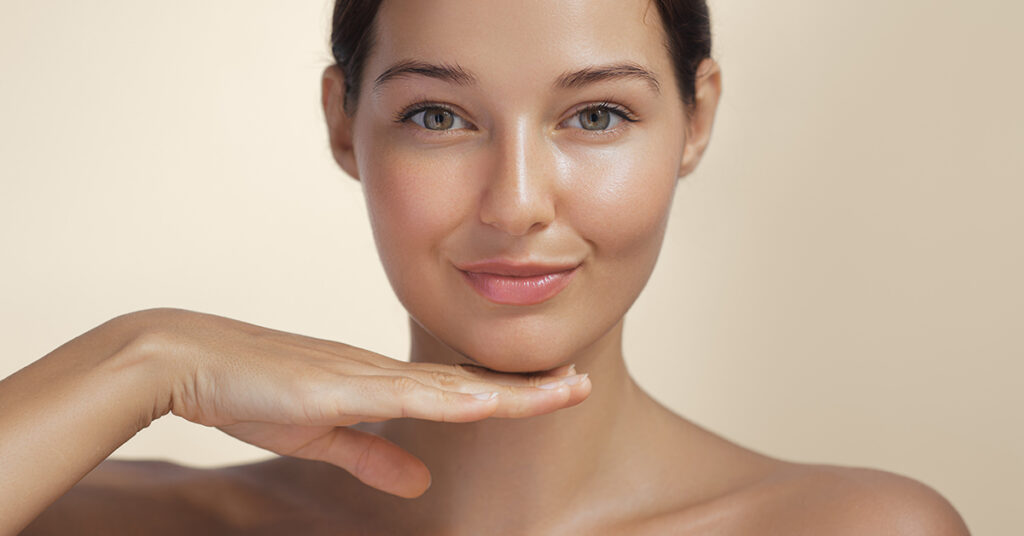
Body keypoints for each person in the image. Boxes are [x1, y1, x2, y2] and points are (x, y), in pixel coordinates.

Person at [3, 0, 971, 534]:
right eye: (438, 116)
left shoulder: (856, 528)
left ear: (696, 119)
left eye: (596, 115)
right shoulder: (109, 514)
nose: (515, 202)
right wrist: (144, 357)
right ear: (344, 122)